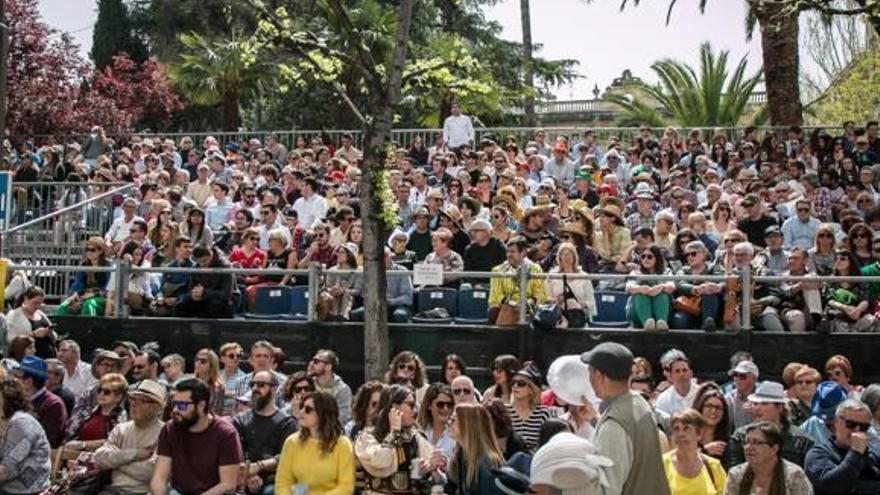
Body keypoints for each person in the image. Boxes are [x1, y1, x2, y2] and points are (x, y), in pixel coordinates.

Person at [581, 341, 670, 495]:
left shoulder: (614, 425)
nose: (588, 377)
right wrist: (595, 420)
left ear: (599, 376)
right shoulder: (639, 402)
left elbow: (606, 490)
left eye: (590, 371)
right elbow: (631, 440)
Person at [150, 378, 243, 495]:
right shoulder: (169, 429)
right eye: (174, 404)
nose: (175, 410)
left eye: (182, 405)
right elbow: (160, 477)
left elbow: (228, 485)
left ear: (201, 405)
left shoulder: (225, 433)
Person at [354, 384, 439, 494]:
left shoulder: (415, 438)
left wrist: (429, 469)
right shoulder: (368, 437)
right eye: (411, 405)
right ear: (394, 408)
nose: (416, 410)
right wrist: (394, 432)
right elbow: (380, 462)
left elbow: (434, 474)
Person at [93, 379, 167, 495]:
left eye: (142, 401)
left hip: (142, 492)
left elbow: (150, 472)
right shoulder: (121, 429)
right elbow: (99, 458)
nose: (133, 404)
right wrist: (134, 454)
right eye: (132, 399)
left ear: (156, 407)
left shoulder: (165, 433)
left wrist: (115, 460)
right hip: (112, 490)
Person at [232, 370, 299, 495]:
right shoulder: (239, 420)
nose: (255, 389)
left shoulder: (287, 423)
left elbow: (287, 458)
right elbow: (232, 453)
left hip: (271, 480)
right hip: (240, 476)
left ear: (274, 389)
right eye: (253, 385)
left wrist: (259, 467)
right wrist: (247, 476)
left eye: (261, 385)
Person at [723, 381, 814, 470]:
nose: (757, 408)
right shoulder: (741, 435)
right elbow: (734, 468)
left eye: (764, 404)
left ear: (779, 407)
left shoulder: (801, 439)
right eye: (755, 404)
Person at [805, 399, 880, 494]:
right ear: (836, 422)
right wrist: (855, 453)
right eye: (851, 424)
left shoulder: (873, 453)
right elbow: (832, 486)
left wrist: (857, 488)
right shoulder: (819, 453)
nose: (857, 430)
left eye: (863, 427)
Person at [723, 421, 814, 495]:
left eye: (757, 442)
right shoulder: (736, 474)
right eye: (746, 442)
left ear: (774, 449)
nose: (748, 447)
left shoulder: (794, 475)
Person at [0, 377, 51, 494]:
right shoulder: (4, 421)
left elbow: (9, 469)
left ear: (7, 398)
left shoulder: (21, 423)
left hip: (25, 490)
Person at [663, 409, 726, 495]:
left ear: (699, 434)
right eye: (676, 429)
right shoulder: (662, 465)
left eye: (686, 428)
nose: (681, 434)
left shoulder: (714, 466)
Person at [447, 403, 505, 495]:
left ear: (467, 425)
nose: (448, 422)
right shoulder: (460, 454)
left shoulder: (487, 461)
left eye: (453, 420)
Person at [63, 372, 128, 454]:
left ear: (119, 397)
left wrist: (83, 445)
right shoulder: (86, 412)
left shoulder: (123, 417)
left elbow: (117, 442)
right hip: (74, 461)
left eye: (107, 392)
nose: (101, 394)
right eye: (99, 390)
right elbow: (70, 435)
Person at [487, 236, 548, 324]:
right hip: (506, 307)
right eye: (507, 251)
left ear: (523, 252)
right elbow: (496, 296)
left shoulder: (536, 269)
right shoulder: (498, 270)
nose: (508, 255)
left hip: (529, 309)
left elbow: (540, 295)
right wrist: (513, 304)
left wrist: (526, 305)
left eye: (512, 251)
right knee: (496, 309)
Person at [12, 355, 68, 449]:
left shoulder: (53, 405)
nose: (14, 380)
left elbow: (46, 441)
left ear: (28, 381)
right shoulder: (15, 400)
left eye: (18, 377)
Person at [507, 363, 557, 453]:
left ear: (531, 389)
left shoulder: (543, 413)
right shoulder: (505, 411)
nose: (515, 386)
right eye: (513, 382)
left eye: (520, 383)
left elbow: (548, 442)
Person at [543, 242, 596, 327]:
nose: (567, 257)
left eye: (569, 254)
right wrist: (557, 300)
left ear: (574, 257)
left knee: (572, 303)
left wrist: (581, 304)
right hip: (558, 314)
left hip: (578, 314)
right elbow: (547, 299)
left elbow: (591, 302)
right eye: (564, 255)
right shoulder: (552, 275)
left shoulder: (584, 276)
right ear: (559, 257)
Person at [174, 245, 234, 318]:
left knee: (215, 306)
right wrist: (194, 294)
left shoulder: (225, 267)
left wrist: (204, 293)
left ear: (211, 255)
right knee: (181, 305)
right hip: (203, 299)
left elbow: (226, 294)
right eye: (199, 262)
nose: (202, 265)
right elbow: (191, 288)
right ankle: (184, 329)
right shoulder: (196, 267)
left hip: (222, 301)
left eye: (204, 261)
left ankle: (215, 329)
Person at [56, 236, 111, 317]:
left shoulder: (109, 266)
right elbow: (78, 284)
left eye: (92, 250)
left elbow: (109, 287)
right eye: (87, 249)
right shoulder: (83, 265)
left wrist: (94, 294)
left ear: (101, 251)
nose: (89, 252)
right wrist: (74, 295)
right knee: (64, 306)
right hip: (84, 295)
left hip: (103, 297)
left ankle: (89, 328)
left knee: (89, 305)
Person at [626, 244, 675, 331]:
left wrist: (661, 287)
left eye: (649, 257)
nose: (645, 259)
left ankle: (662, 323)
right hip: (637, 310)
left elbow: (672, 287)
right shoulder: (635, 272)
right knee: (640, 295)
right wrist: (640, 289)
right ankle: (647, 323)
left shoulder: (666, 271)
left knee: (662, 294)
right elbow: (629, 286)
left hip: (662, 307)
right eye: (643, 256)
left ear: (657, 258)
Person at [307, 349, 353, 425]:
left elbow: (343, 417)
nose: (311, 364)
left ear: (328, 367)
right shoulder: (307, 384)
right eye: (312, 360)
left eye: (316, 361)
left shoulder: (342, 389)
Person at [655, 349, 699, 418]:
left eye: (684, 370)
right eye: (677, 371)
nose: (682, 374)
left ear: (691, 373)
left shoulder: (702, 393)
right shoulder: (663, 399)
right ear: (670, 375)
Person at [417, 383, 455, 460]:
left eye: (449, 405)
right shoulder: (419, 431)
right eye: (440, 404)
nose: (445, 409)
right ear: (429, 405)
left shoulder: (456, 434)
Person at [693, 384, 731, 460]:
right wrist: (704, 451)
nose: (713, 411)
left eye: (718, 408)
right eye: (709, 406)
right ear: (701, 408)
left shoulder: (728, 443)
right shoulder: (688, 436)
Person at [725, 360, 760, 430]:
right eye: (735, 375)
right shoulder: (729, 399)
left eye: (742, 376)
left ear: (754, 378)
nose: (737, 379)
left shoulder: (763, 398)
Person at [193, 348, 226, 416]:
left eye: (203, 361)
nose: (198, 363)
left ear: (211, 365)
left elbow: (216, 412)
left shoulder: (218, 387)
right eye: (197, 360)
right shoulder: (190, 383)